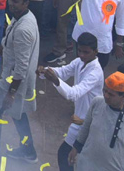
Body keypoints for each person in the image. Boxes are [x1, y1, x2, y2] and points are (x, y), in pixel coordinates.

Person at [0, 0, 39, 162]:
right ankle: (28, 151)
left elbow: (21, 67)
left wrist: (11, 93)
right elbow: (8, 39)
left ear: (26, 3)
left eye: (16, 2)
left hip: (13, 81)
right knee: (19, 115)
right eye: (10, 0)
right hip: (13, 78)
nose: (11, 4)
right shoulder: (20, 17)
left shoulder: (24, 28)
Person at [39, 31, 103, 171]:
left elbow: (73, 94)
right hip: (79, 120)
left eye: (86, 52)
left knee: (69, 156)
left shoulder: (95, 72)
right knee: (68, 156)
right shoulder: (79, 62)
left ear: (95, 52)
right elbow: (63, 71)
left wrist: (55, 81)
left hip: (88, 122)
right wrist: (45, 72)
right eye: (79, 51)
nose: (81, 55)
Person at [68, 71, 124, 171]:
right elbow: (85, 128)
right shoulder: (97, 102)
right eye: (104, 91)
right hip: (86, 164)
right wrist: (75, 148)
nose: (106, 95)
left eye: (111, 94)